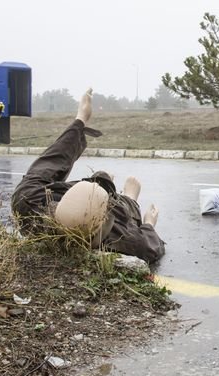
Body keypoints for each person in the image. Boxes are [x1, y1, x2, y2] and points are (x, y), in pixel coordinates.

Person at [11, 88, 165, 263]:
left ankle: (103, 184)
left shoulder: (28, 201)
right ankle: (115, 191)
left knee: (97, 193)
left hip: (68, 202)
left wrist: (81, 119)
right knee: (120, 205)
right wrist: (138, 208)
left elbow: (51, 161)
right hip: (106, 212)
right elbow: (147, 246)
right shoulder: (117, 236)